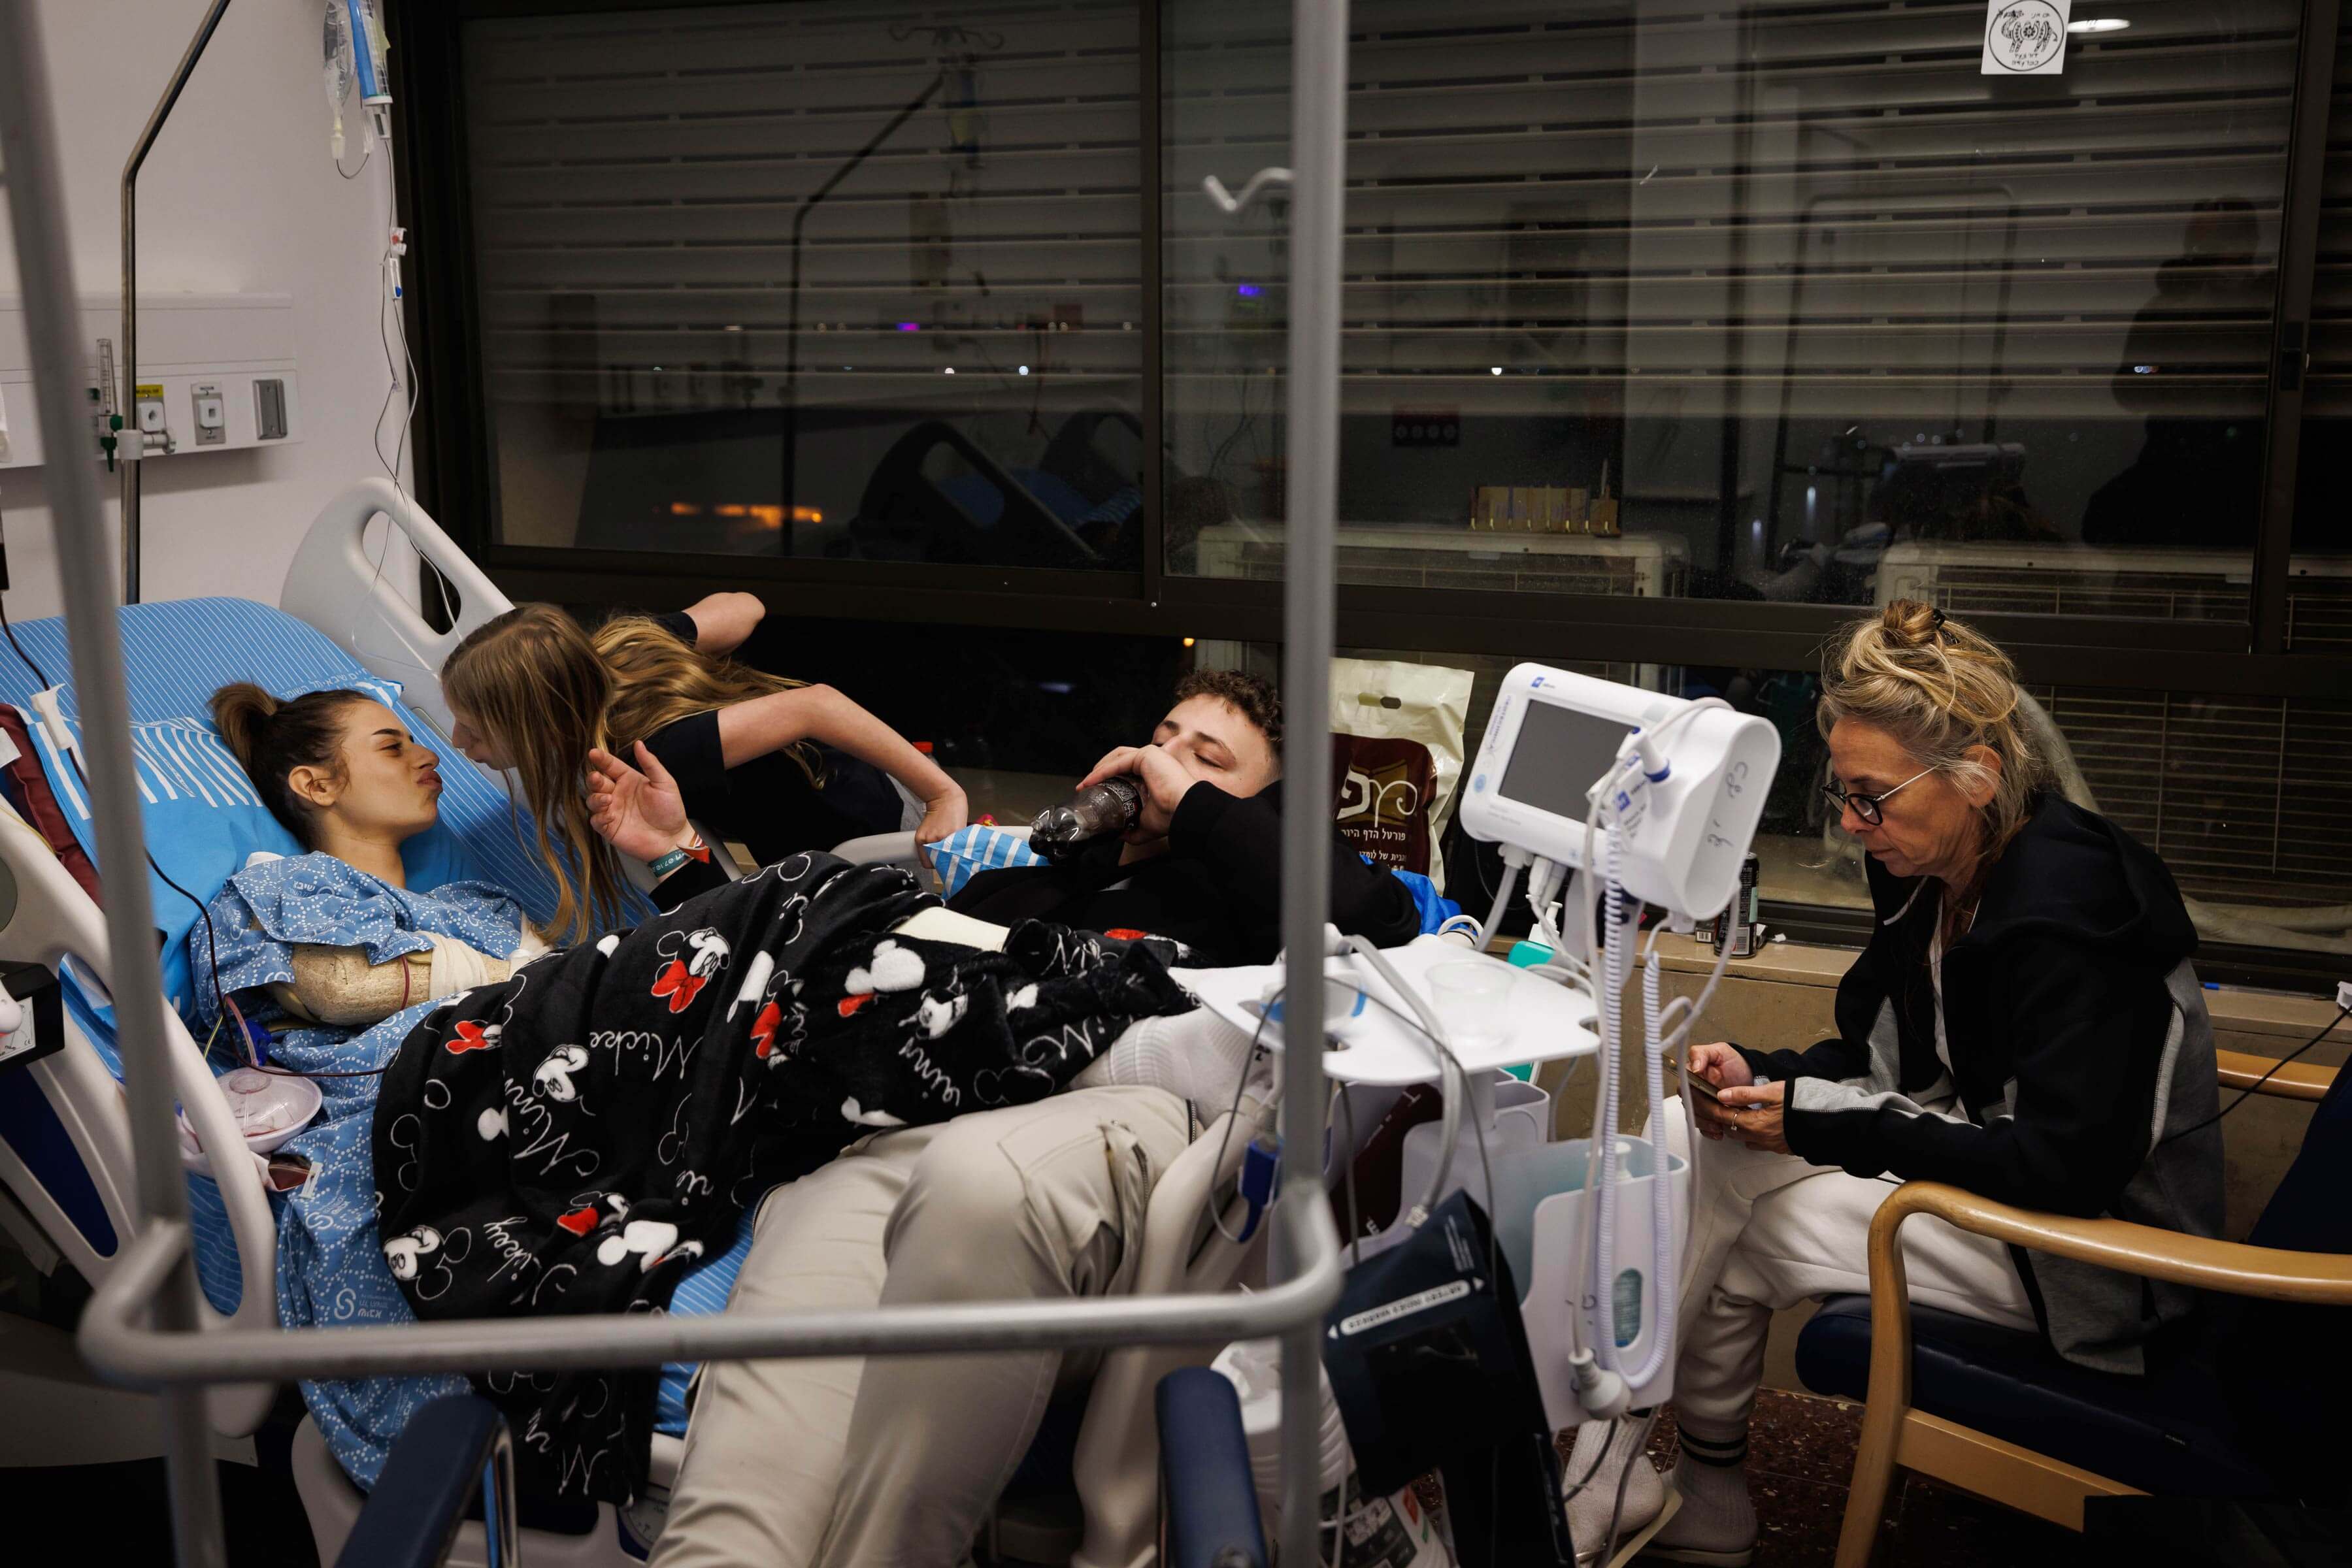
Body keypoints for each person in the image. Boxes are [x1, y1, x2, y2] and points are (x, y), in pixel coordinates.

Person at [1573, 600, 2225, 1567]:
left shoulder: (2074, 915)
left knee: (1724, 1220)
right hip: (2001, 1200)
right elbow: (1887, 1067)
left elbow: (2063, 1168)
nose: (1849, 824)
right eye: (1840, 794)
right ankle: (1648, 1482)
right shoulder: (1936, 875)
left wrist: (1820, 1124)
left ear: (1976, 776)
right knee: (1686, 1134)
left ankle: (1623, 1479)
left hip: (2096, 1264)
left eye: (1870, 798)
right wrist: (1766, 1079)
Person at [625, 668, 1423, 966]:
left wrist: (1193, 808)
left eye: (1206, 761)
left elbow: (1377, 920)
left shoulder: (1241, 907)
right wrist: (674, 854)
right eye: (1160, 741)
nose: (1162, 763)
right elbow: (791, 962)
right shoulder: (1038, 880)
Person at [438, 594, 967, 943]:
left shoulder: (660, 750)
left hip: (870, 830)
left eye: (476, 730)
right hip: (854, 779)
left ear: (540, 723)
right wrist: (679, 640)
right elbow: (747, 608)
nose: (458, 742)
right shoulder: (620, 651)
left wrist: (942, 796)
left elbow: (816, 705)